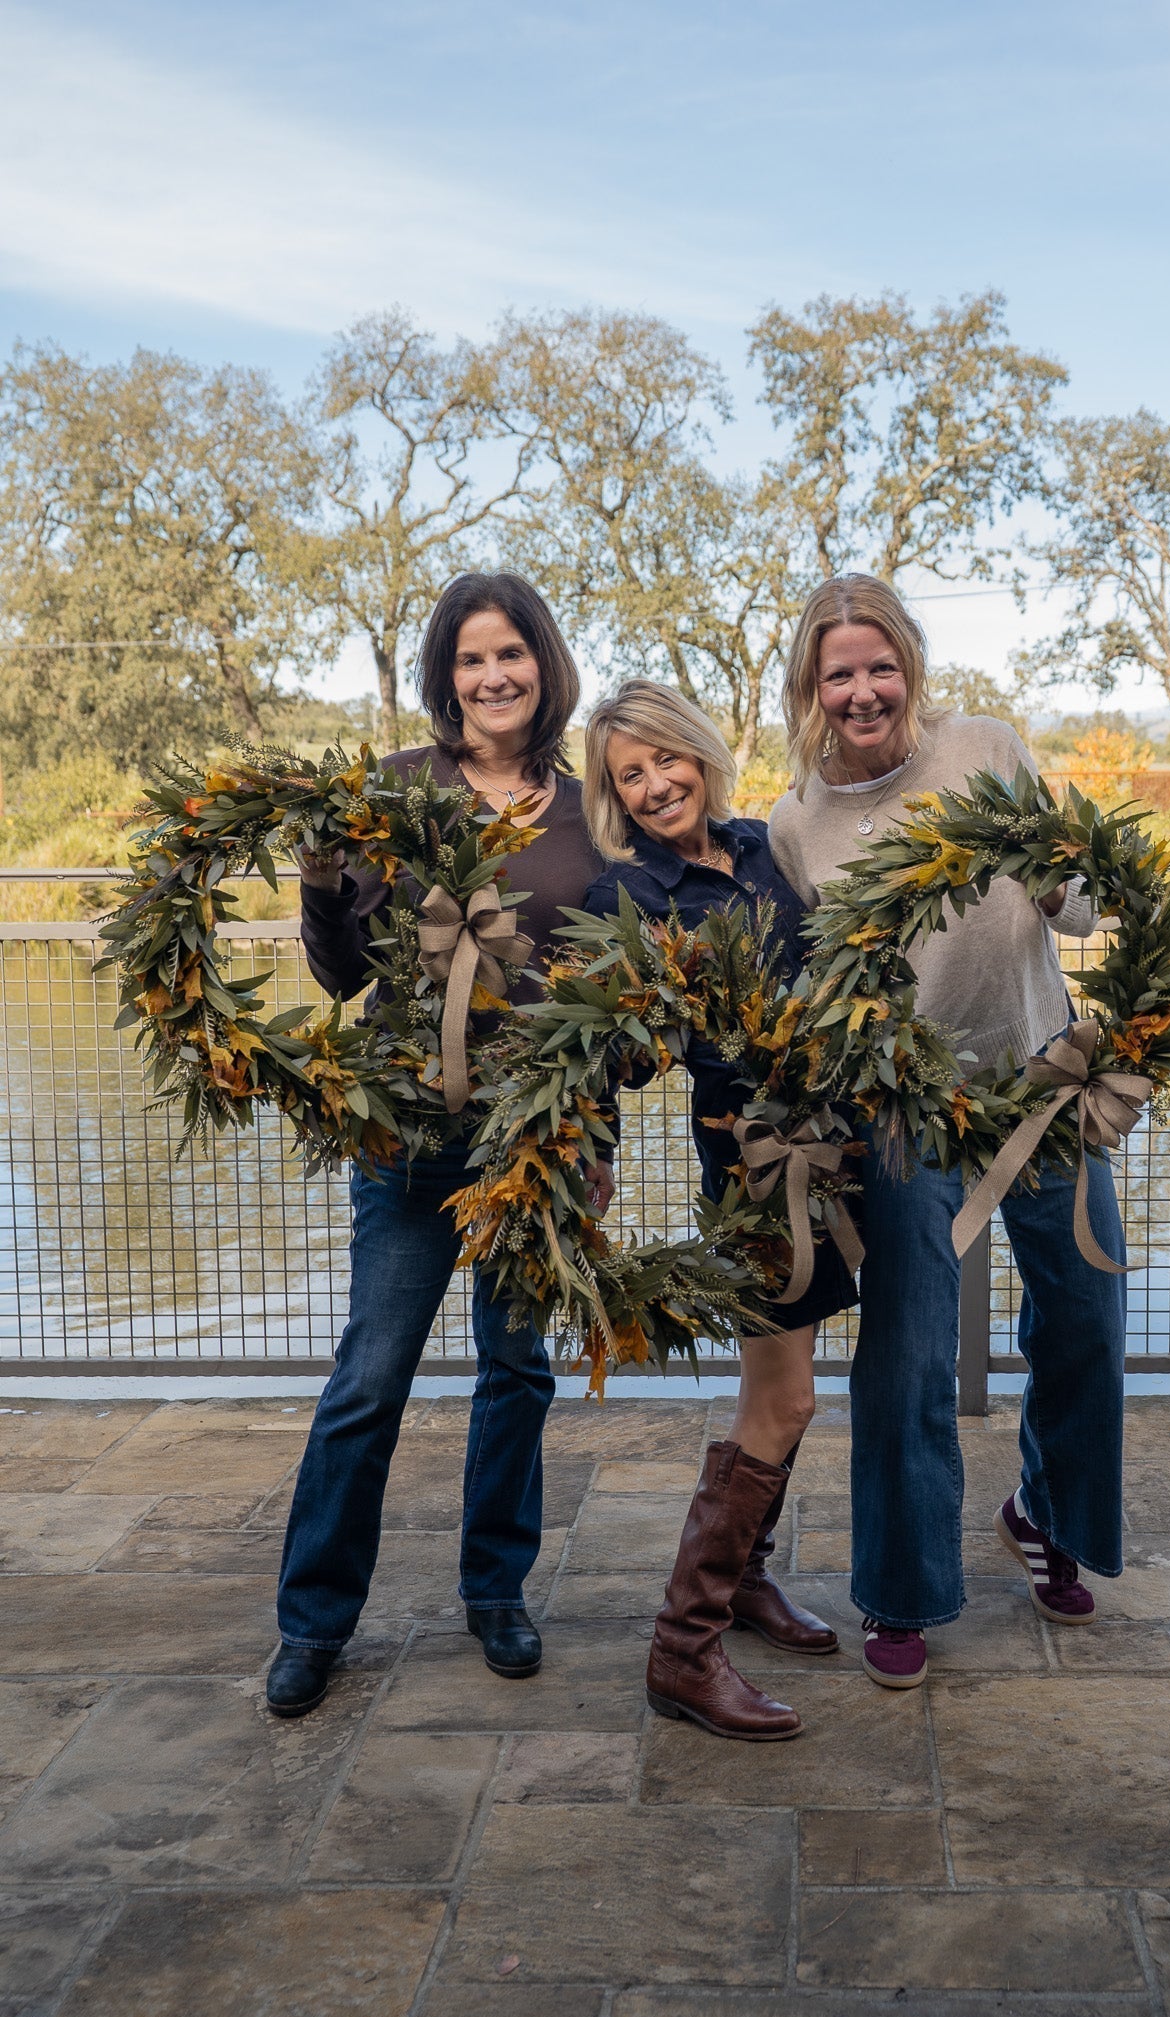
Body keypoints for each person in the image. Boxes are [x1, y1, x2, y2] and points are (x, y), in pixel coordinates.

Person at [769, 574, 1124, 1693]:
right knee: (909, 1349)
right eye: (841, 673)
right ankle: (903, 1588)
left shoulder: (984, 748)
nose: (864, 690)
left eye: (881, 666)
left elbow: (1079, 907)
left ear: (910, 668)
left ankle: (1046, 1512)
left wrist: (1074, 878)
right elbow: (816, 978)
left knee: (1085, 1314)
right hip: (906, 1110)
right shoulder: (794, 825)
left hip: (1038, 1075)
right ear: (811, 689)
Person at [266, 573, 614, 1718]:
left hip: (538, 1142)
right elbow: (344, 974)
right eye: (471, 658)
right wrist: (321, 886)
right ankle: (314, 1618)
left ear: (543, 662)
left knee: (517, 1368)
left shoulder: (590, 810)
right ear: (444, 675)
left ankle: (495, 1588)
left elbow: (622, 986)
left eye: (511, 651)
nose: (493, 674)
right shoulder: (395, 794)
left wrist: (594, 1126)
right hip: (410, 1135)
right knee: (371, 1373)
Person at [581, 679, 857, 1742]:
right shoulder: (633, 897)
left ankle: (742, 1586)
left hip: (831, 1154)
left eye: (665, 760)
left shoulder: (762, 847)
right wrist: (594, 1143)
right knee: (780, 1403)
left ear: (700, 751)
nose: (654, 786)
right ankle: (681, 1648)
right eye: (629, 775)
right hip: (750, 1170)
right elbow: (611, 1046)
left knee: (790, 1396)